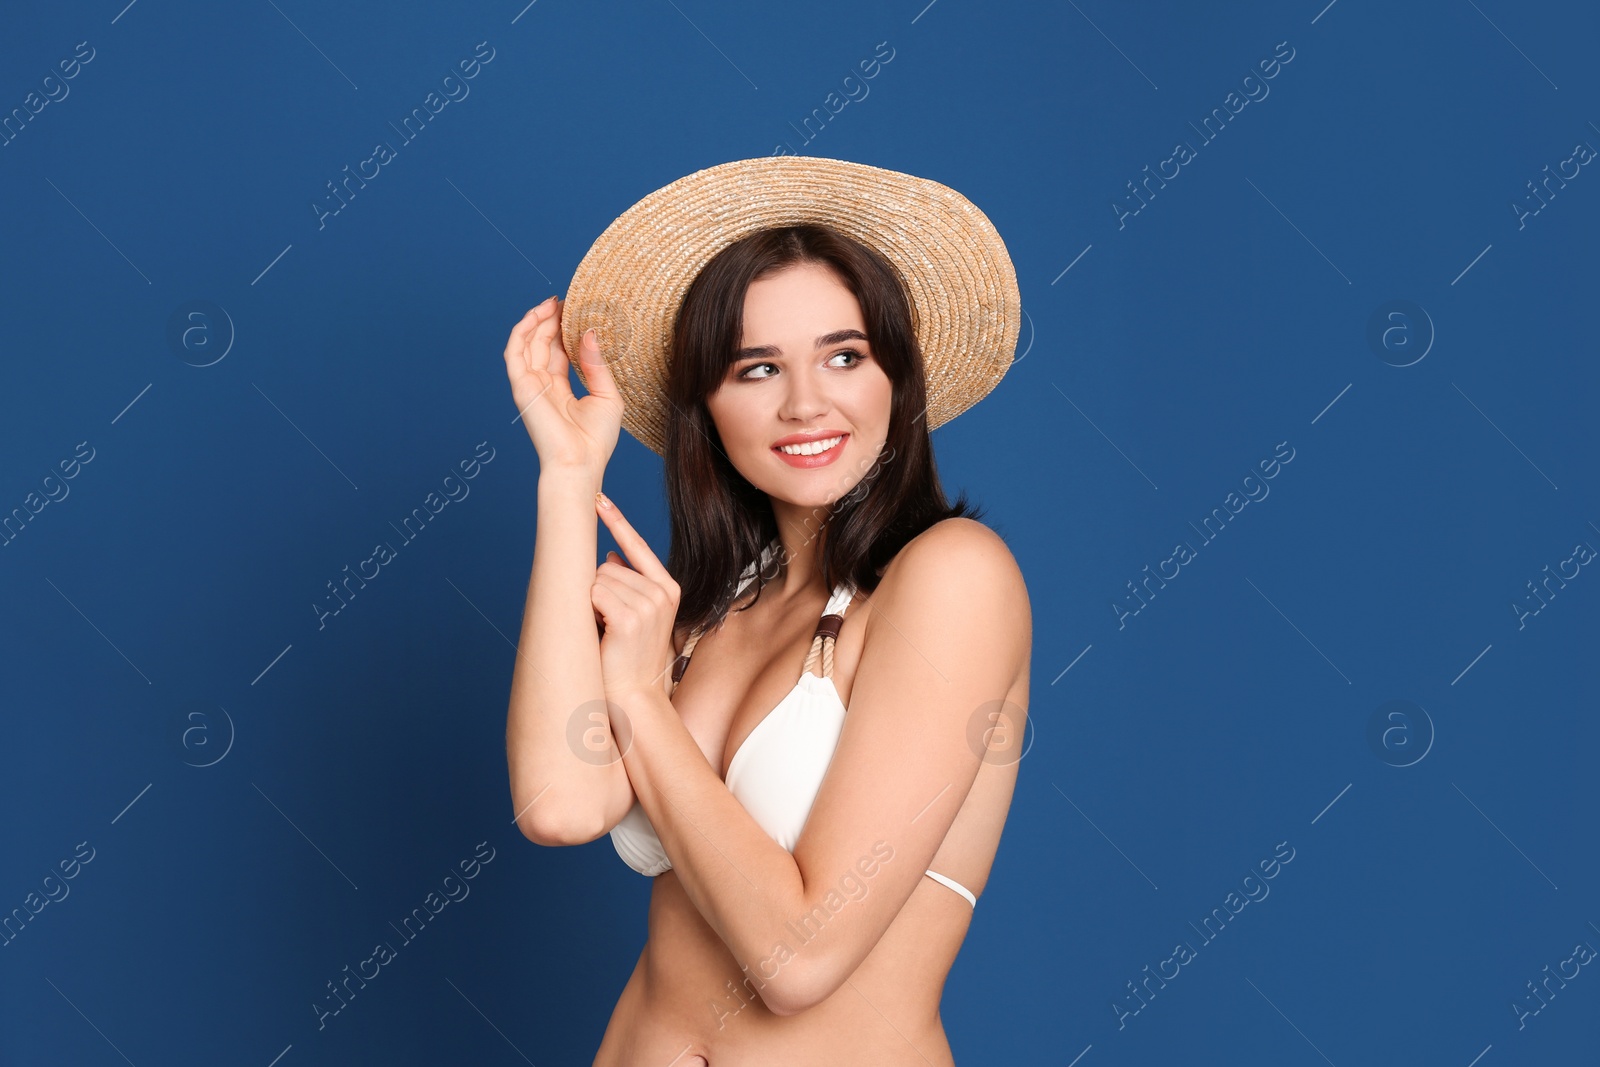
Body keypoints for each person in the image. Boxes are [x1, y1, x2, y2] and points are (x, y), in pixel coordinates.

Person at [502, 156, 1032, 1066]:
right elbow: (558, 803)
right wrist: (567, 480)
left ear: (895, 378)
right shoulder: (711, 609)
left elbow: (799, 957)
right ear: (706, 406)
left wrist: (637, 700)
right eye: (756, 368)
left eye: (844, 354)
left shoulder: (952, 577)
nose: (805, 402)